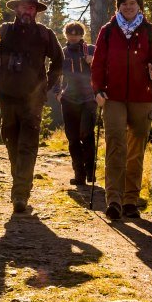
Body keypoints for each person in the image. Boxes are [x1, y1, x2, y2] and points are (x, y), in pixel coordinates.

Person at [90, 0, 152, 220]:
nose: (128, 7)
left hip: (142, 97)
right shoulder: (108, 31)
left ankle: (131, 201)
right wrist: (98, 90)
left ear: (139, 5)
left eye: (132, 3)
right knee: (115, 146)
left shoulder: (151, 32)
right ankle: (113, 200)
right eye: (124, 3)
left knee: (135, 151)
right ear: (118, 6)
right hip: (112, 97)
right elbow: (98, 63)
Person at [0, 0, 63, 213]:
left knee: (28, 145)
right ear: (16, 9)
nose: (27, 10)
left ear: (36, 11)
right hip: (6, 98)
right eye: (24, 6)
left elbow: (59, 61)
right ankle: (20, 183)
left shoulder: (45, 34)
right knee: (11, 142)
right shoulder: (4, 32)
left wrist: (46, 86)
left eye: (32, 7)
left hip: (33, 101)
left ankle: (20, 193)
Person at [54, 21, 96, 186]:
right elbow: (56, 73)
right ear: (66, 34)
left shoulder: (90, 50)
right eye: (70, 33)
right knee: (72, 138)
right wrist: (57, 93)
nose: (73, 36)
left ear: (81, 34)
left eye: (77, 33)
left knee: (86, 134)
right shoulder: (62, 53)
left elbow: (103, 69)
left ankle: (90, 172)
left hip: (88, 98)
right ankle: (79, 174)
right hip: (69, 99)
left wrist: (92, 61)